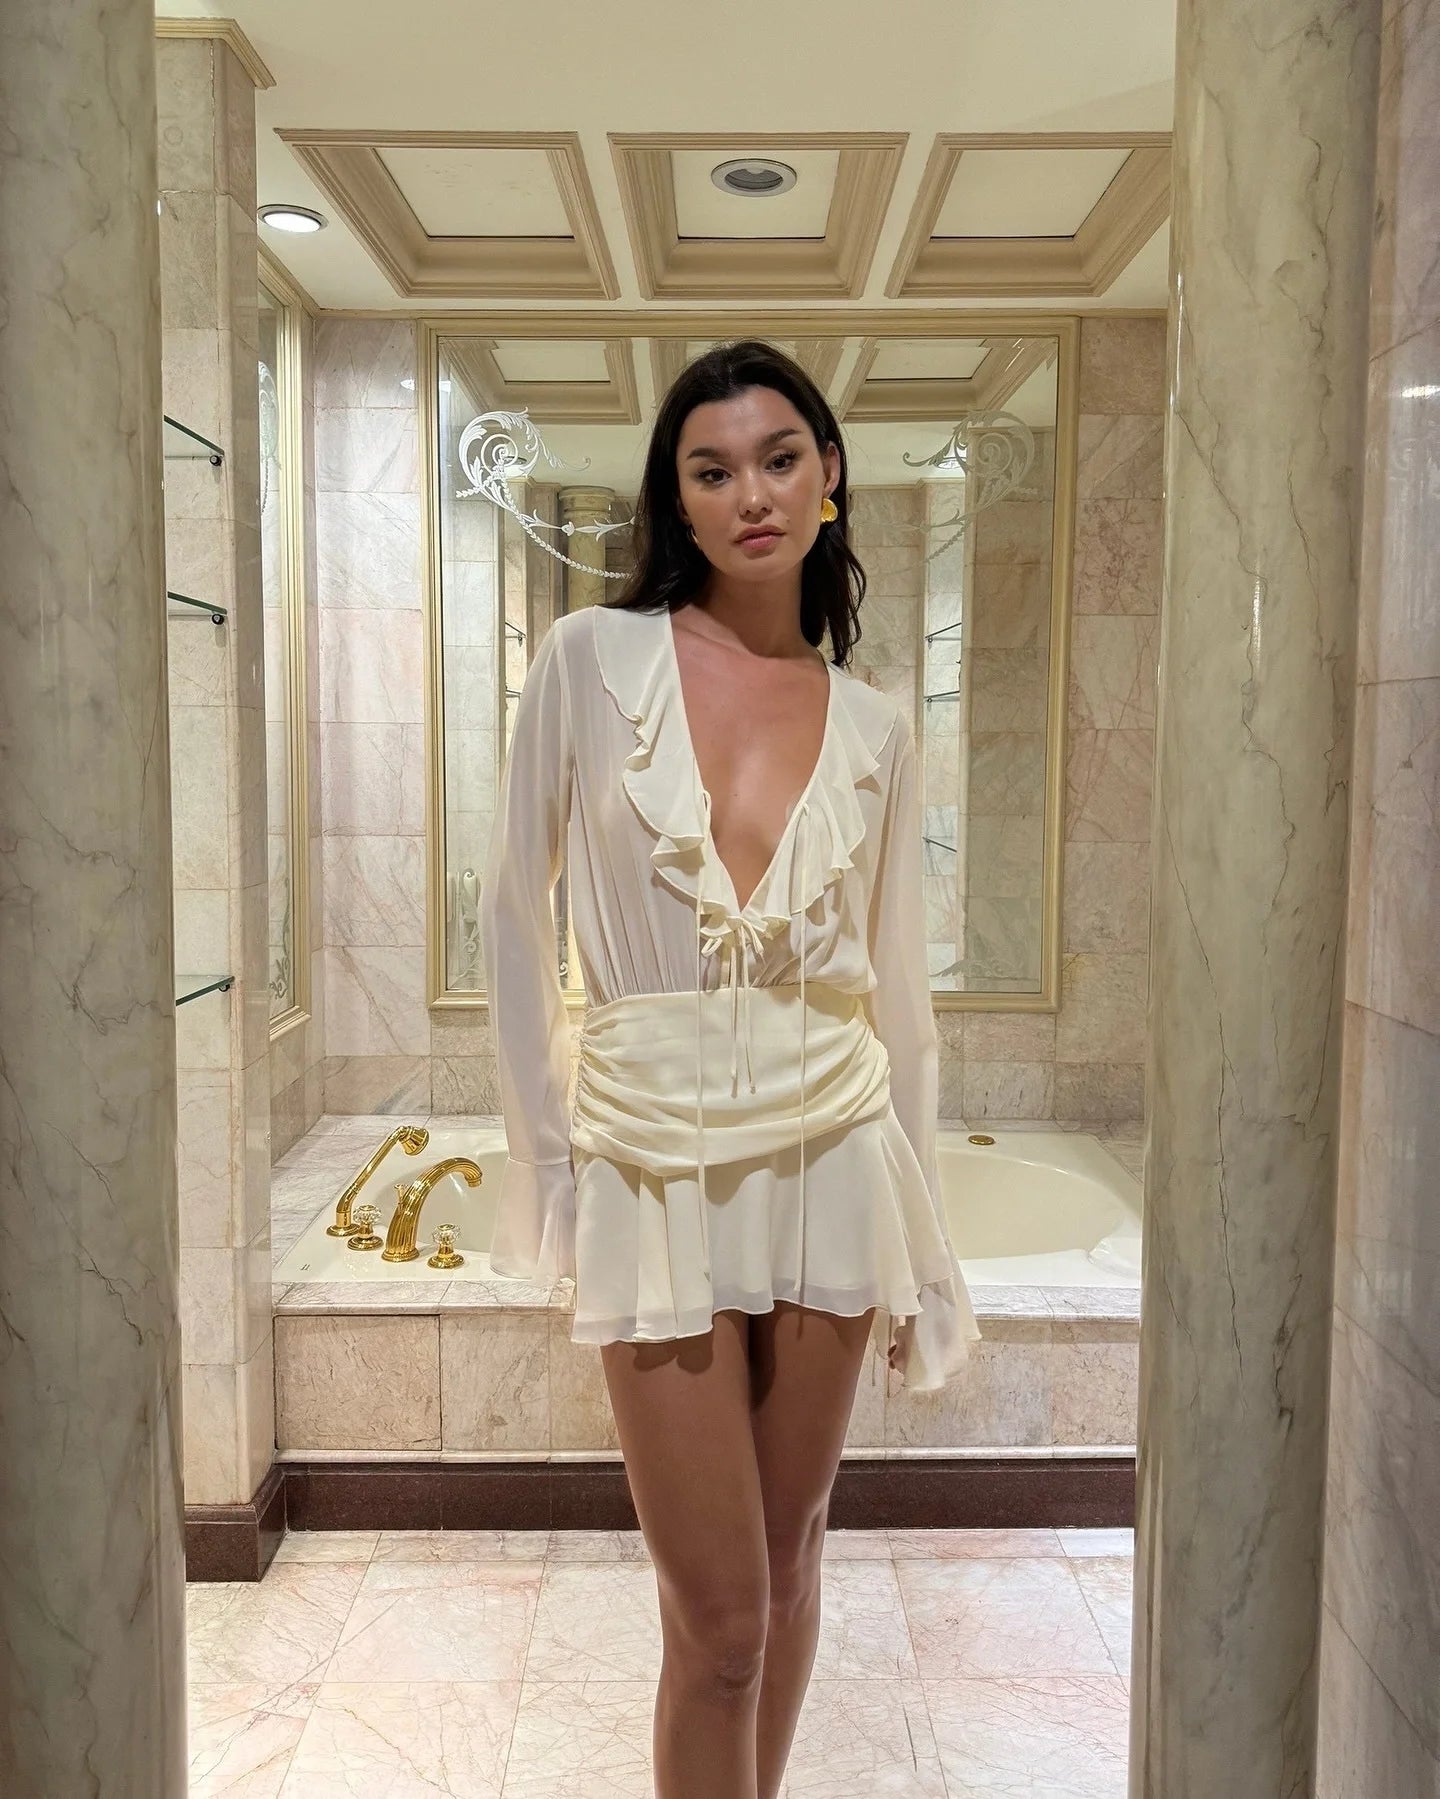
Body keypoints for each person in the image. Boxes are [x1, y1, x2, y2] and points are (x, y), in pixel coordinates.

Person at [479, 339, 980, 1796]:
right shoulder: (590, 661)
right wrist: (552, 1167)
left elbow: (902, 1001)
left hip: (834, 1152)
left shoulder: (877, 723)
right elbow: (515, 919)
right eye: (711, 470)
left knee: (790, 1559)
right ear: (677, 502)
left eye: (777, 459)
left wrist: (928, 1247)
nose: (749, 491)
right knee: (722, 1621)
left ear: (829, 480)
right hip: (650, 1158)